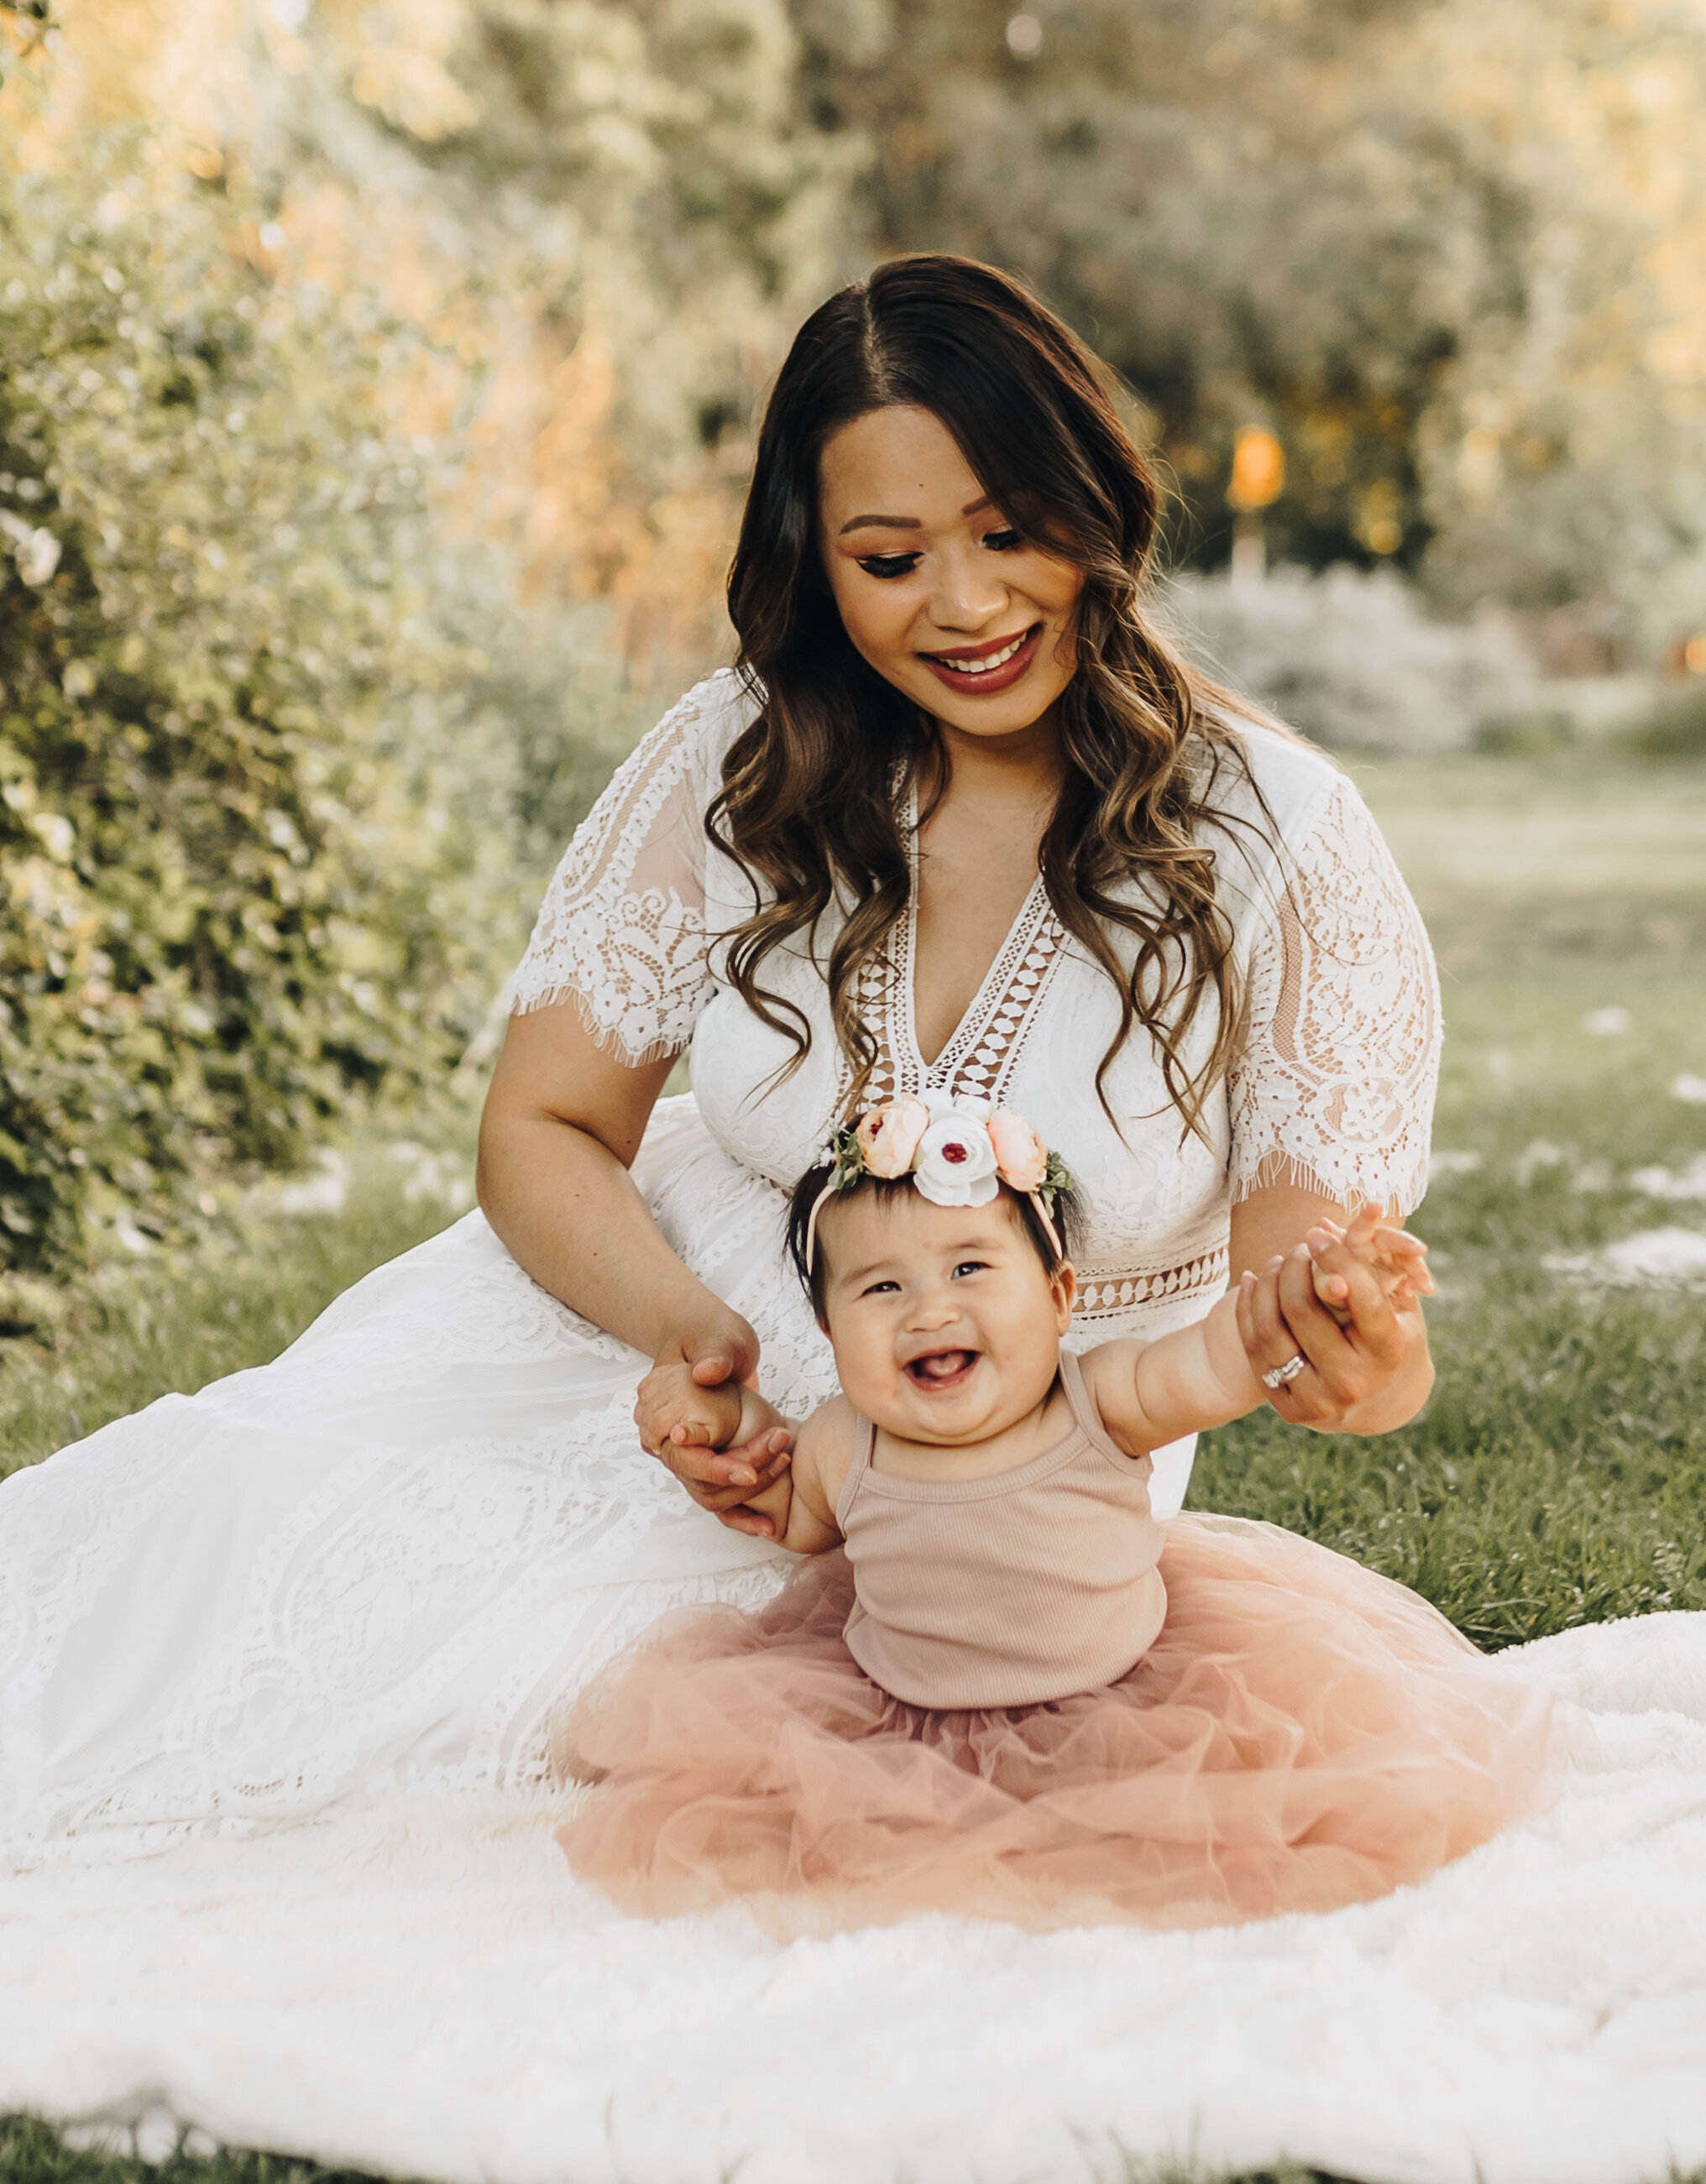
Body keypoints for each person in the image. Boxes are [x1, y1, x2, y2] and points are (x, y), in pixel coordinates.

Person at [0, 253, 1439, 1852]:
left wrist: (1350, 1351)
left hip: (988, 1485)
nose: (962, 607)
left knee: (529, 1701)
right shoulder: (738, 755)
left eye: (1008, 532)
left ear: (1093, 504)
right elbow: (543, 1122)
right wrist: (687, 1340)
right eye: (889, 557)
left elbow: (1311, 1321)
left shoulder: (1279, 839)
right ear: (812, 562)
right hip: (632, 1340)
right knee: (236, 1521)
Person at [557, 1105, 1567, 1933]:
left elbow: (1222, 1356)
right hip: (897, 1720)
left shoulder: (1102, 1399)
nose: (928, 1309)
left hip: (1122, 1698)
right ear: (828, 1328)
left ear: (1058, 1295)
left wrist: (1323, 1283)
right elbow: (776, 1503)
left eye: (968, 1269)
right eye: (880, 1286)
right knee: (858, 1869)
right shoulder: (837, 1443)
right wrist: (702, 1422)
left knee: (1170, 1846)